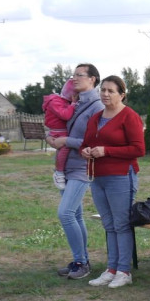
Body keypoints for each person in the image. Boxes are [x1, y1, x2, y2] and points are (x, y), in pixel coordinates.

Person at [81, 75, 145, 288]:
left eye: (111, 91)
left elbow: (138, 149)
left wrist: (107, 151)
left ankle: (124, 271)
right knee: (108, 225)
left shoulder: (130, 116)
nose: (105, 94)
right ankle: (111, 269)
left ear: (122, 94)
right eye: (103, 90)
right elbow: (86, 142)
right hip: (97, 177)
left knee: (121, 224)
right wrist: (86, 150)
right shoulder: (96, 117)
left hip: (121, 177)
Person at [47, 63, 103, 280]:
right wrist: (50, 138)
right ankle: (81, 260)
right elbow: (55, 125)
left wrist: (65, 141)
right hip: (65, 166)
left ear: (93, 79)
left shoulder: (97, 107)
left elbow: (94, 141)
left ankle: (81, 262)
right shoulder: (73, 102)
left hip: (82, 166)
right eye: (74, 75)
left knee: (66, 213)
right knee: (76, 214)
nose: (74, 79)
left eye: (80, 75)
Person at [43, 79, 77, 190]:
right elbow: (65, 115)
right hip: (58, 131)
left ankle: (60, 170)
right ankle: (59, 172)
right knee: (65, 147)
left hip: (60, 130)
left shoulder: (60, 101)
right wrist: (73, 104)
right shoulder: (55, 102)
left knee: (63, 148)